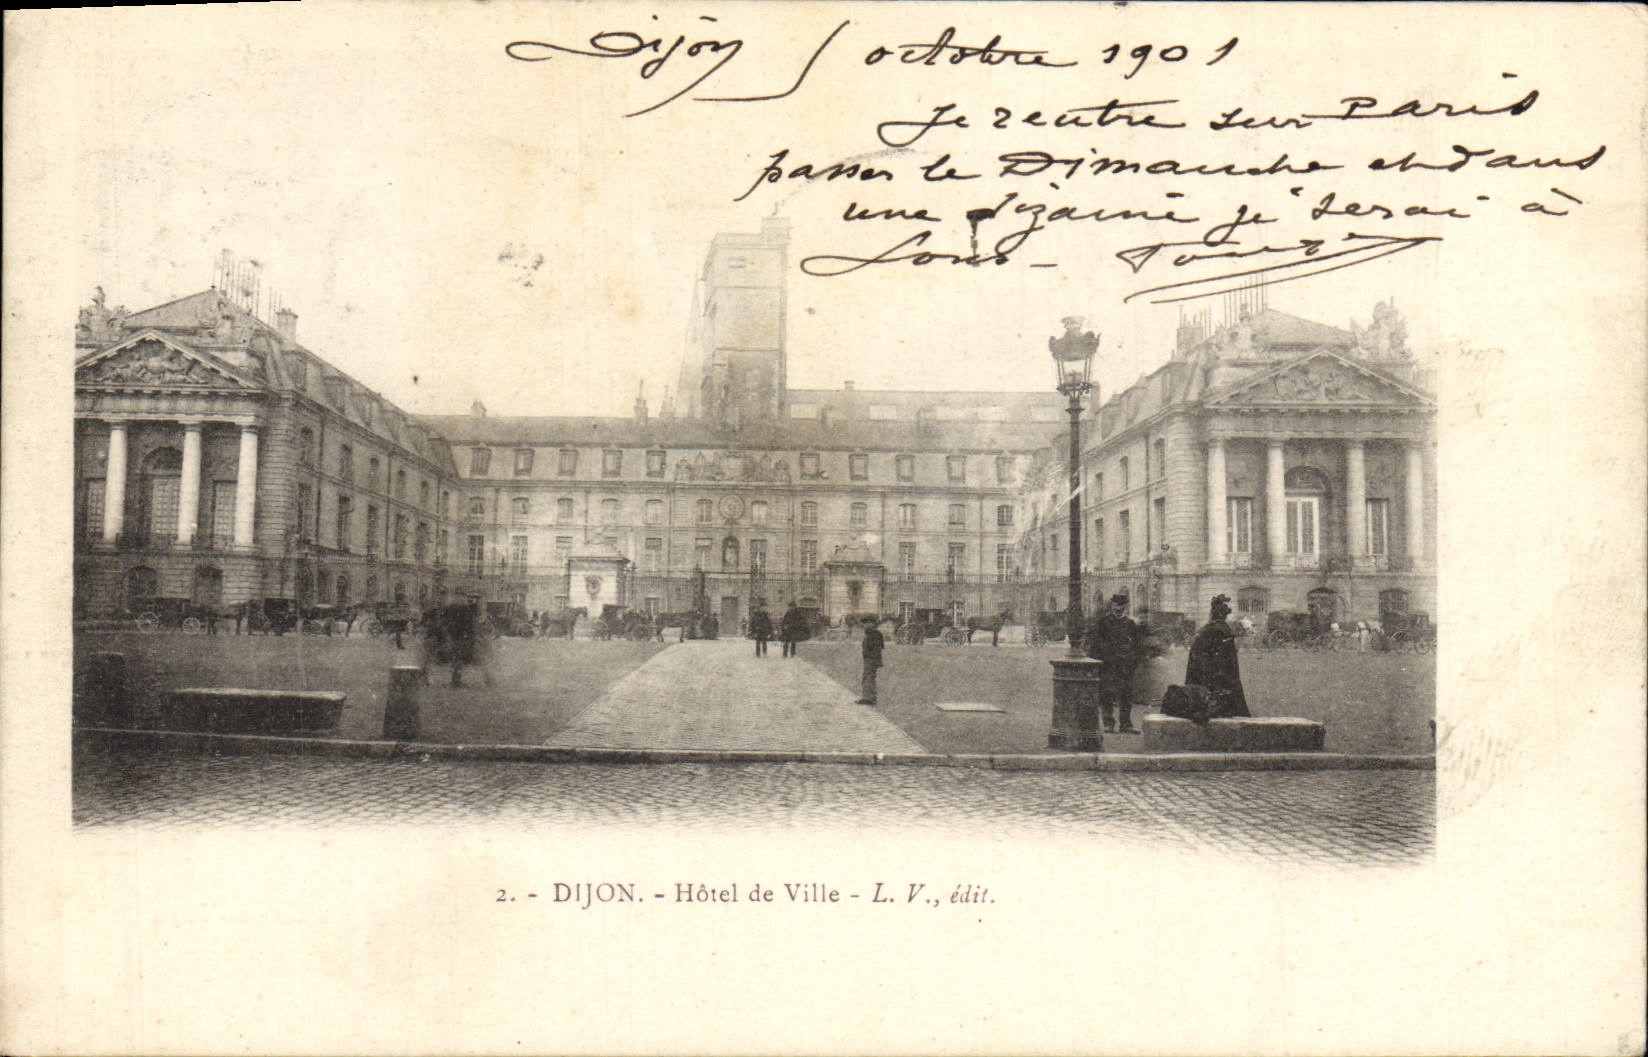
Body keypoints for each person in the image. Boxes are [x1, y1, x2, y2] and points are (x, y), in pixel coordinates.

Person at [1185, 594, 1249, 717]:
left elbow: (1200, 653)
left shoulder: (1210, 629)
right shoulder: (1224, 629)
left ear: (1213, 613)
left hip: (1208, 674)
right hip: (1224, 673)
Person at [1084, 593, 1140, 734]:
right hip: (1108, 665)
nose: (1118, 608)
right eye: (1116, 605)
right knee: (1106, 694)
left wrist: (1132, 661)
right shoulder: (1103, 623)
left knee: (1126, 696)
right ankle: (1108, 723)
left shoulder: (1130, 624)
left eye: (1122, 606)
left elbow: (1137, 646)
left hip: (1125, 666)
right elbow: (1095, 644)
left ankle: (1125, 724)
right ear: (1111, 605)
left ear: (1126, 607)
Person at [857, 617, 884, 705]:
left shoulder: (874, 634)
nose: (864, 626)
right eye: (864, 624)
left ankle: (869, 698)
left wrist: (871, 658)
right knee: (868, 677)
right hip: (870, 659)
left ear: (871, 624)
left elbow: (877, 648)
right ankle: (868, 697)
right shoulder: (872, 633)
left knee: (868, 677)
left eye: (867, 624)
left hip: (871, 659)